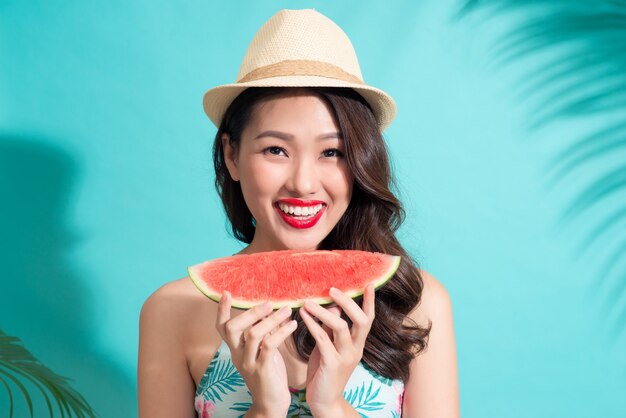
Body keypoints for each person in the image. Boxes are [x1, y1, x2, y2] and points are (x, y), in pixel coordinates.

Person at [138, 8, 459, 418]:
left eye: (332, 152)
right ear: (231, 155)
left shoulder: (417, 301)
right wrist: (266, 409)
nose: (304, 183)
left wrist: (330, 406)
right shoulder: (170, 311)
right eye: (276, 150)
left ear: (361, 162)